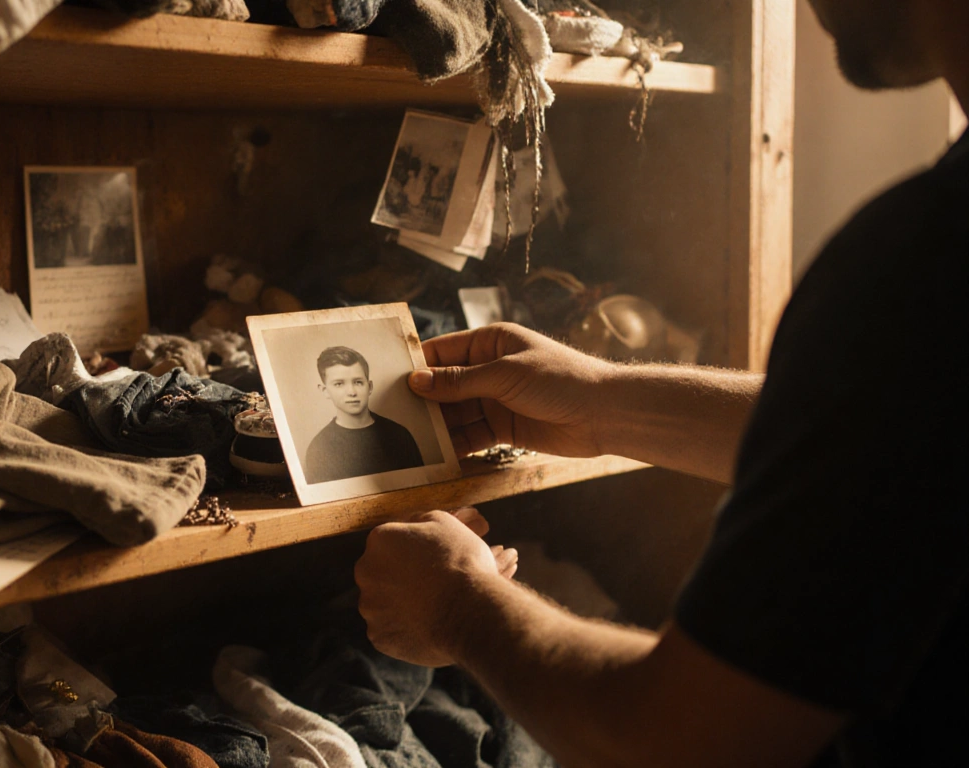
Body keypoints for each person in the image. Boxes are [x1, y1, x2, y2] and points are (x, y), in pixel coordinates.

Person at [354, 1, 968, 766]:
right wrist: (606, 401)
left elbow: (688, 743)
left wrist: (458, 609)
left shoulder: (926, 266)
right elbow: (903, 439)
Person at [304, 346, 424, 484]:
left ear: (370, 387)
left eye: (358, 382)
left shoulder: (400, 435)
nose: (351, 392)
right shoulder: (319, 448)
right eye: (339, 384)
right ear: (325, 390)